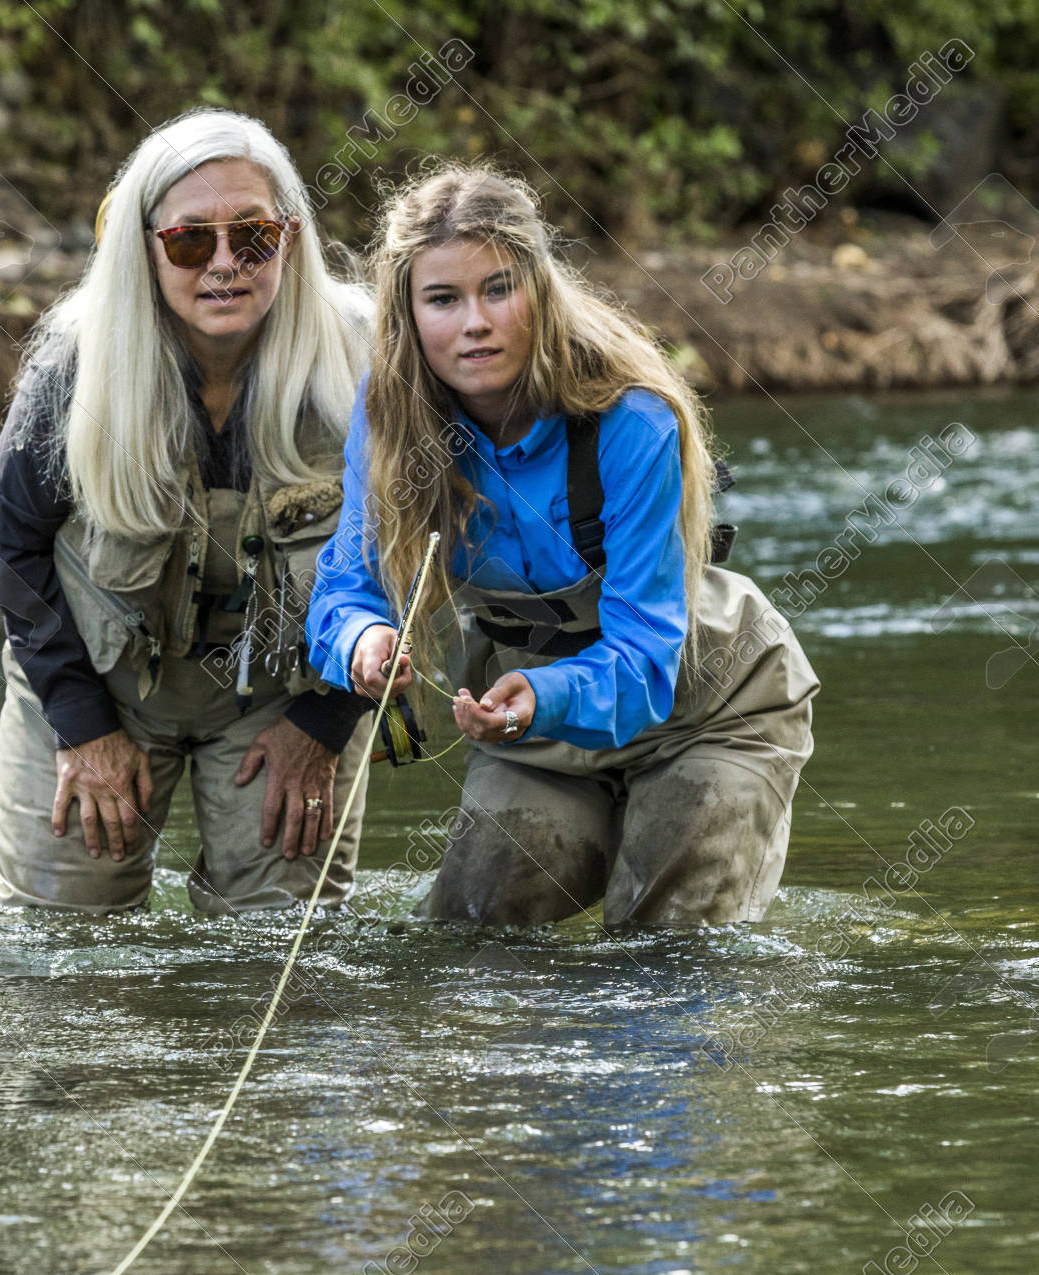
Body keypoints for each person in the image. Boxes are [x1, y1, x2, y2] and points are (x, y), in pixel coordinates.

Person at [306, 165, 820, 926]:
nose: (474, 322)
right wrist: (364, 642)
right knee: (473, 938)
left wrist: (538, 698)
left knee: (662, 954)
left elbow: (646, 660)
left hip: (707, 710)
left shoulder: (632, 417)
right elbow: (347, 588)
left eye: (499, 289)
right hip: (539, 729)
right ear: (407, 316)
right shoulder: (389, 415)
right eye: (443, 299)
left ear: (540, 292)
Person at [0, 109, 374, 914]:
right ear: (145, 248)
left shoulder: (364, 356)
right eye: (191, 241)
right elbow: (10, 538)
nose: (225, 265)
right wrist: (82, 728)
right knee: (59, 946)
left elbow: (410, 550)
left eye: (254, 236)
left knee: (279, 945)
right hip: (96, 675)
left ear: (290, 240)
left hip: (283, 692)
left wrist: (324, 725)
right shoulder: (76, 366)